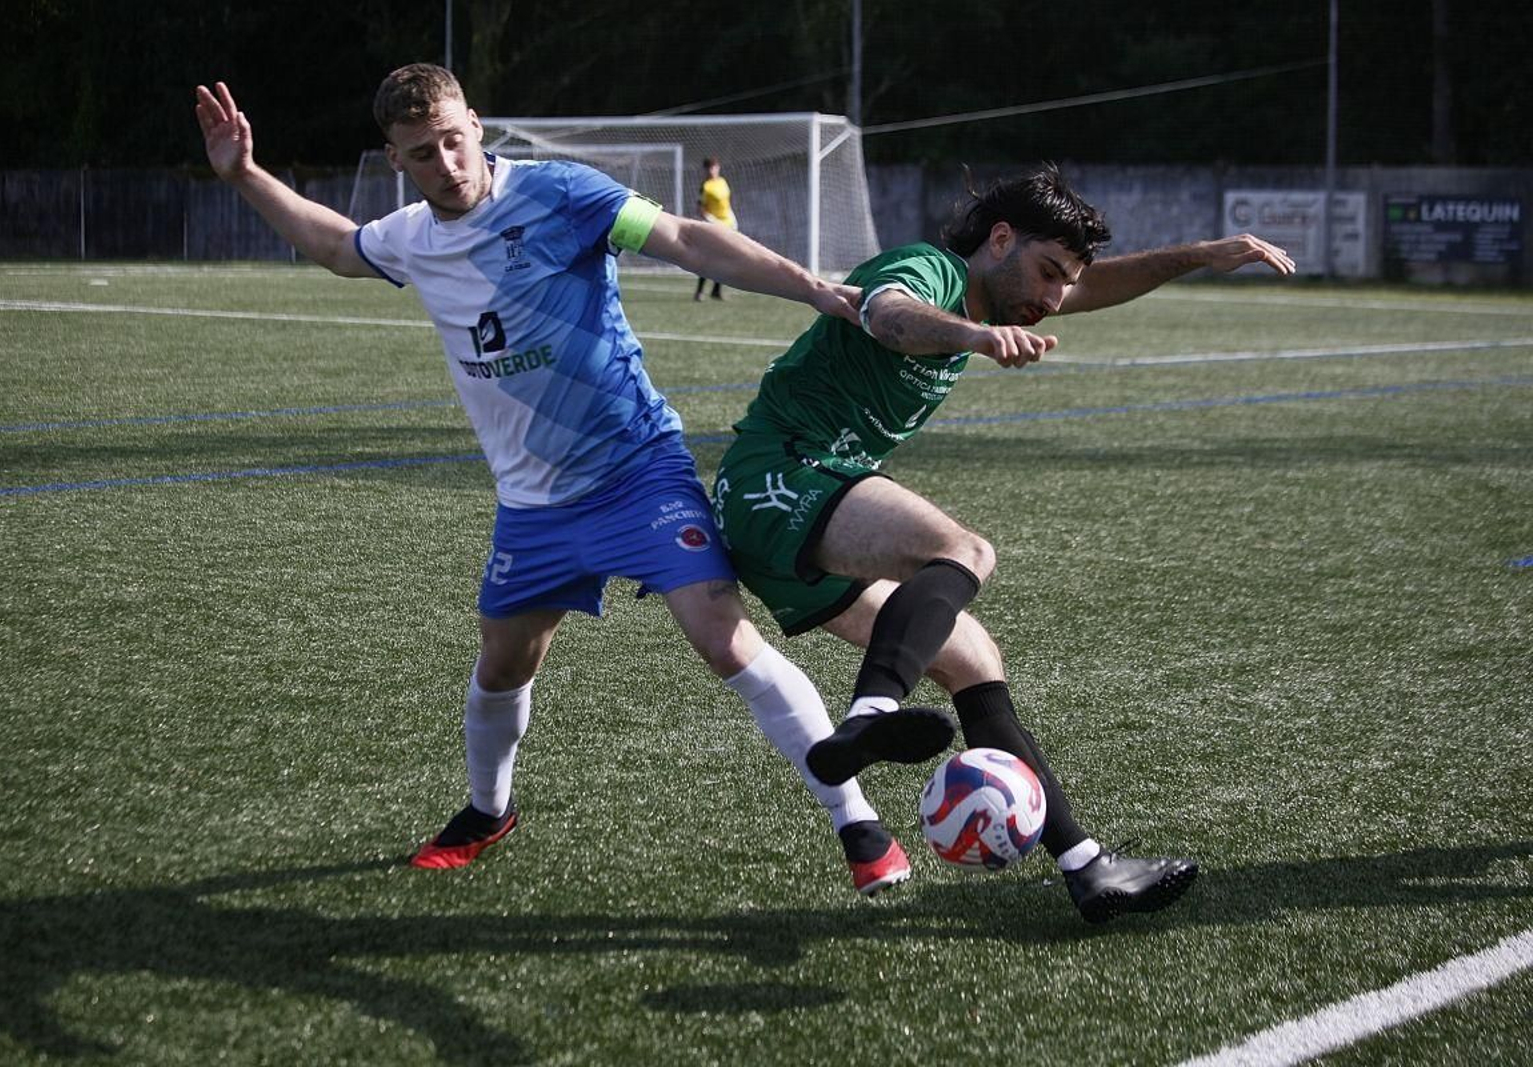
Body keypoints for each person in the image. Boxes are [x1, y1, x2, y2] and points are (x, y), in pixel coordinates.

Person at [193, 64, 945, 895]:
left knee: (724, 637)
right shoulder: (410, 236)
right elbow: (337, 244)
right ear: (396, 159)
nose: (446, 163)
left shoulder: (559, 193)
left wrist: (811, 288)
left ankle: (858, 822)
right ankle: (489, 810)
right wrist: (246, 175)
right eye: (422, 152)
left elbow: (689, 240)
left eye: (453, 140)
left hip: (638, 471)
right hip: (533, 506)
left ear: (476, 126)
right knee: (503, 663)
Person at [710, 163, 1297, 923]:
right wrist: (980, 337)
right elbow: (887, 316)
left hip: (805, 503)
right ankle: (868, 717)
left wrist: (1200, 256)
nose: (1054, 298)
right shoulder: (929, 270)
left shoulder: (1014, 286)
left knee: (975, 660)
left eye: (1063, 283)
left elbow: (1099, 286)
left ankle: (1089, 869)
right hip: (778, 475)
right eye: (1048, 273)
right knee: (964, 551)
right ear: (999, 239)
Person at [693, 157, 736, 302]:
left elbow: (726, 203)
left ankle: (716, 291)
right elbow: (700, 209)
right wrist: (713, 221)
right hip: (714, 225)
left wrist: (732, 219)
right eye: (709, 168)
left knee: (724, 258)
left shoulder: (723, 182)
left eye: (715, 167)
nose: (712, 170)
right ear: (705, 170)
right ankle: (699, 292)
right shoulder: (705, 186)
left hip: (728, 224)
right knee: (709, 258)